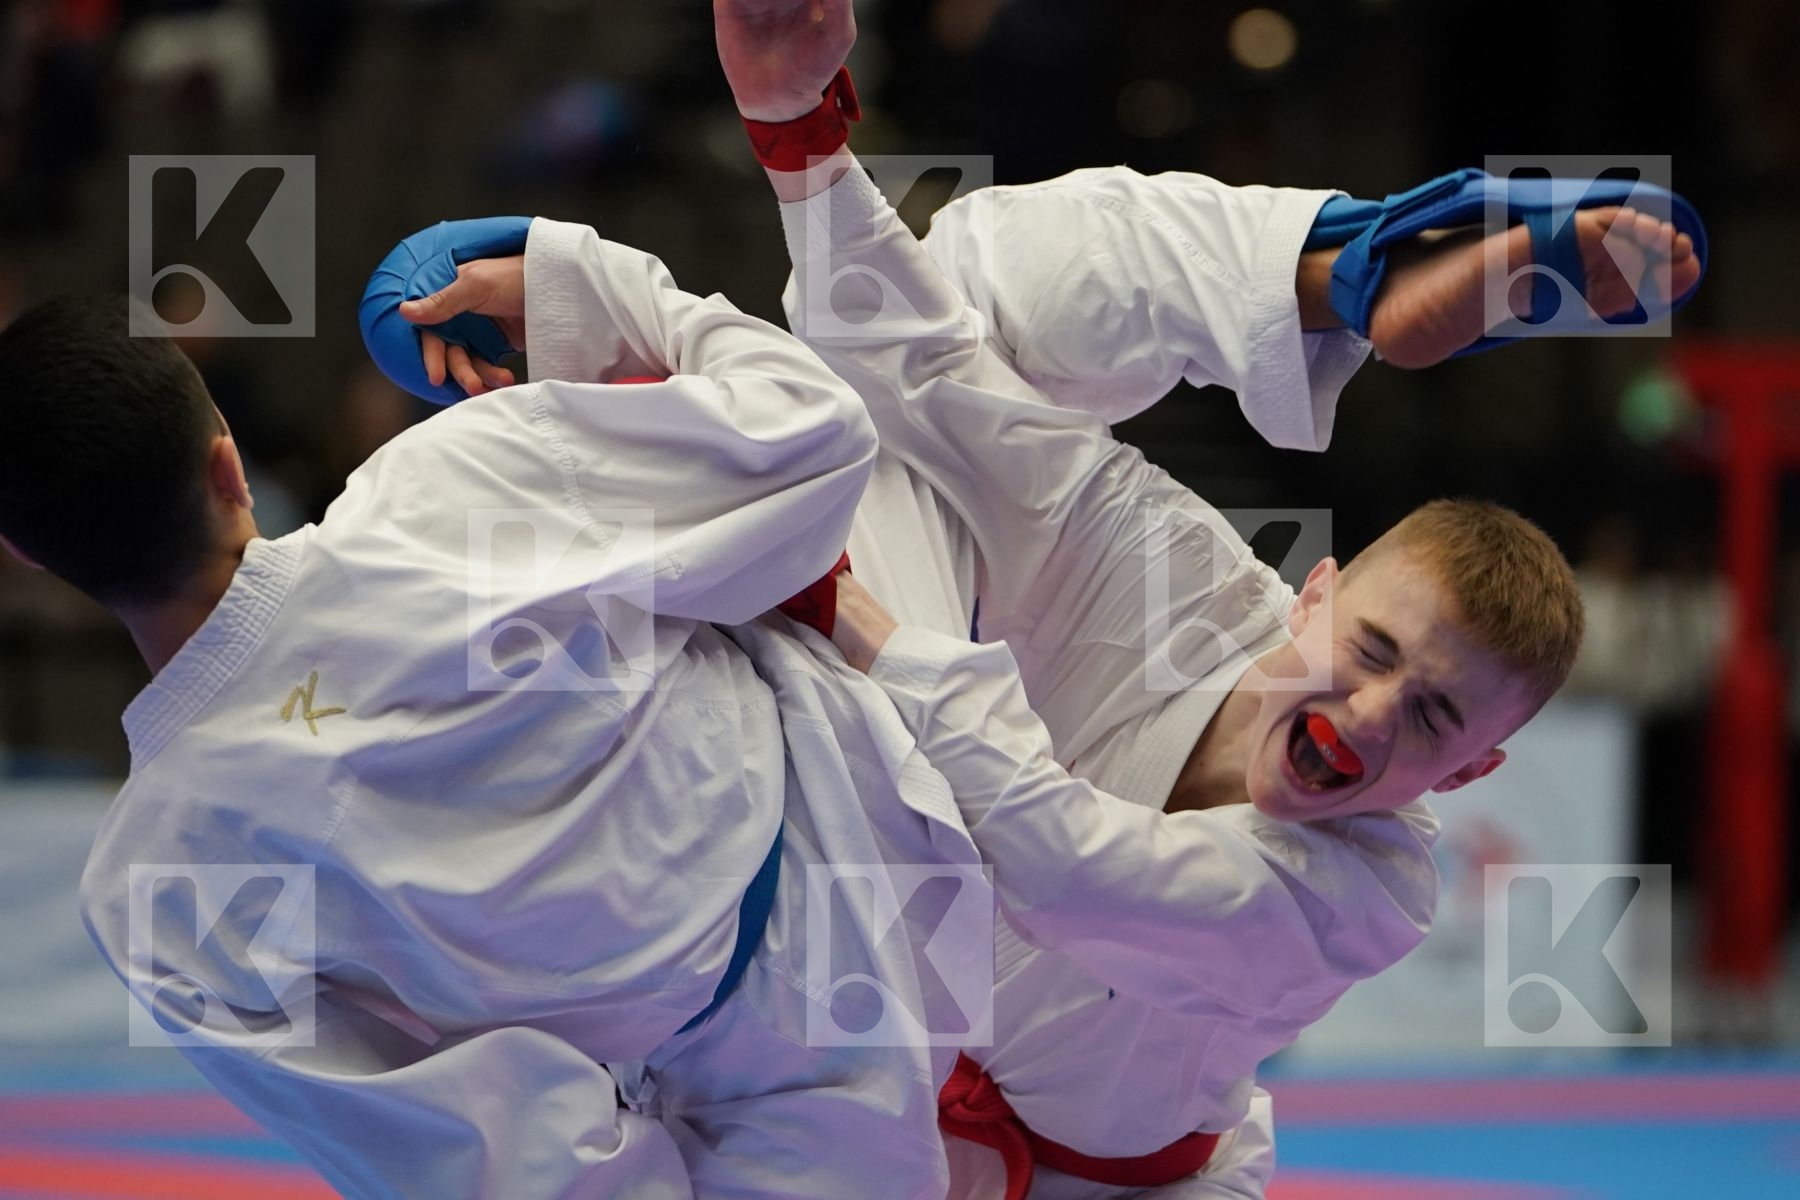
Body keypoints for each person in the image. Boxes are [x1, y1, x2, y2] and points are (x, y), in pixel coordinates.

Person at [701, 2, 1689, 1194]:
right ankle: (1341, 277)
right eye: (1370, 648)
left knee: (883, 401)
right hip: (889, 1105)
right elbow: (934, 383)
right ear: (1309, 595)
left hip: (1125, 1180)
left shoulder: (1369, 896)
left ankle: (1321, 281)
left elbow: (1069, 866)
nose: (1371, 714)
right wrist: (795, 129)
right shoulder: (1178, 574)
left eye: (1433, 720)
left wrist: (842, 612)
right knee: (971, 289)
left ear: (1476, 773)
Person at [0, 231, 994, 1195]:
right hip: (912, 821)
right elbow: (819, 435)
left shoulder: (151, 891)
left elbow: (472, 1153)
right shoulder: (442, 484)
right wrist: (583, 279)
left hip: (750, 1089)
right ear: (228, 465)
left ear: (30, 556)